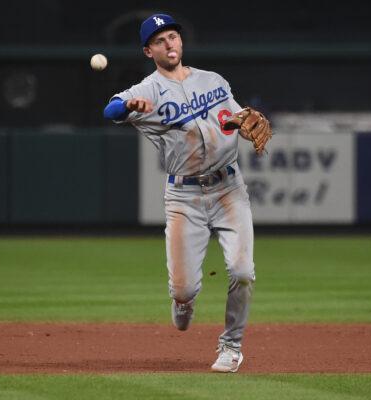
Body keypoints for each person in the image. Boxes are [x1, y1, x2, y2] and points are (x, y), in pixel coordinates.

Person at [103, 13, 267, 373]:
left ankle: (231, 345)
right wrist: (129, 106)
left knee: (242, 270)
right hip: (184, 198)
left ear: (181, 41)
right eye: (160, 41)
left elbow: (236, 119)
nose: (169, 44)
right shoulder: (147, 90)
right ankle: (183, 302)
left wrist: (242, 123)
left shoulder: (213, 80)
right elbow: (110, 109)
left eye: (173, 36)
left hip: (229, 189)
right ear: (149, 51)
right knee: (182, 290)